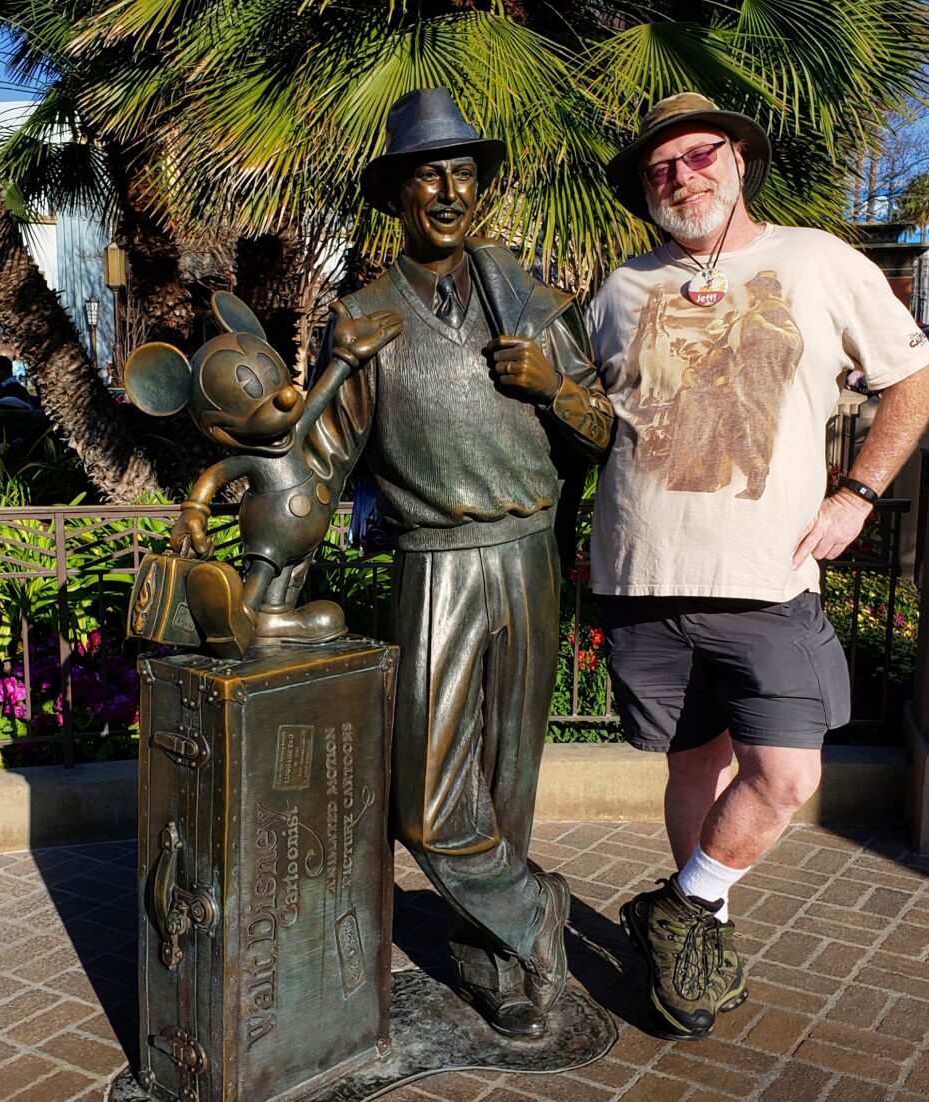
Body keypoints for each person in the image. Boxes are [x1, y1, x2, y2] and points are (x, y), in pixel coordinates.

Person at [585, 92, 929, 1040]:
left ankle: (684, 905)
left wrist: (858, 494)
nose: (682, 178)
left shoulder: (817, 260)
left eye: (699, 157)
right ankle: (702, 947)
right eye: (661, 169)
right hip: (641, 576)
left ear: (740, 159)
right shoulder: (621, 287)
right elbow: (582, 419)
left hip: (768, 576)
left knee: (785, 775)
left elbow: (919, 375)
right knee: (692, 765)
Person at [320, 89, 614, 1039]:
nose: (447, 192)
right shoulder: (366, 317)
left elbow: (606, 433)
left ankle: (505, 966)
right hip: (436, 564)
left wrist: (555, 386)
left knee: (508, 775)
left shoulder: (530, 298)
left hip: (528, 553)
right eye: (427, 176)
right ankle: (536, 909)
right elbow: (327, 453)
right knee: (426, 799)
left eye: (462, 174)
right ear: (396, 195)